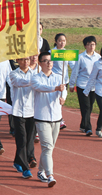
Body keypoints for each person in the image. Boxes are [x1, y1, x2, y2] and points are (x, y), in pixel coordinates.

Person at [31, 52, 67, 187]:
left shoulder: (58, 77)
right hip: (42, 118)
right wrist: (55, 88)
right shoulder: (36, 78)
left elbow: (64, 91)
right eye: (45, 61)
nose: (49, 63)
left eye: (50, 61)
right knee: (47, 146)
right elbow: (40, 88)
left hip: (56, 118)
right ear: (40, 63)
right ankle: (50, 175)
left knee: (49, 148)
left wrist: (63, 97)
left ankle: (40, 171)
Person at [9, 57, 37, 179]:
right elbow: (19, 83)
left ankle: (17, 161)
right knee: (21, 140)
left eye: (27, 59)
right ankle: (26, 168)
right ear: (18, 61)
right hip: (18, 111)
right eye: (23, 60)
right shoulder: (13, 74)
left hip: (32, 111)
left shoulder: (35, 73)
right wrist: (35, 81)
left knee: (29, 140)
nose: (25, 62)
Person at [69, 36, 100, 136]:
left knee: (89, 108)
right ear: (85, 46)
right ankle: (88, 128)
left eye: (93, 44)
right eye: (89, 44)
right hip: (82, 86)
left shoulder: (98, 57)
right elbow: (75, 71)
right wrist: (71, 84)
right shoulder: (81, 57)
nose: (91, 47)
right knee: (86, 107)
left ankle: (83, 124)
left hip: (94, 87)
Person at [51, 33, 75, 130]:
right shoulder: (51, 52)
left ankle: (59, 119)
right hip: (54, 80)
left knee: (61, 99)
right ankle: (59, 119)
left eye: (64, 41)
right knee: (55, 99)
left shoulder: (67, 53)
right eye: (60, 40)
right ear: (56, 41)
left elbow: (73, 66)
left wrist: (78, 71)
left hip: (64, 80)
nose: (62, 42)